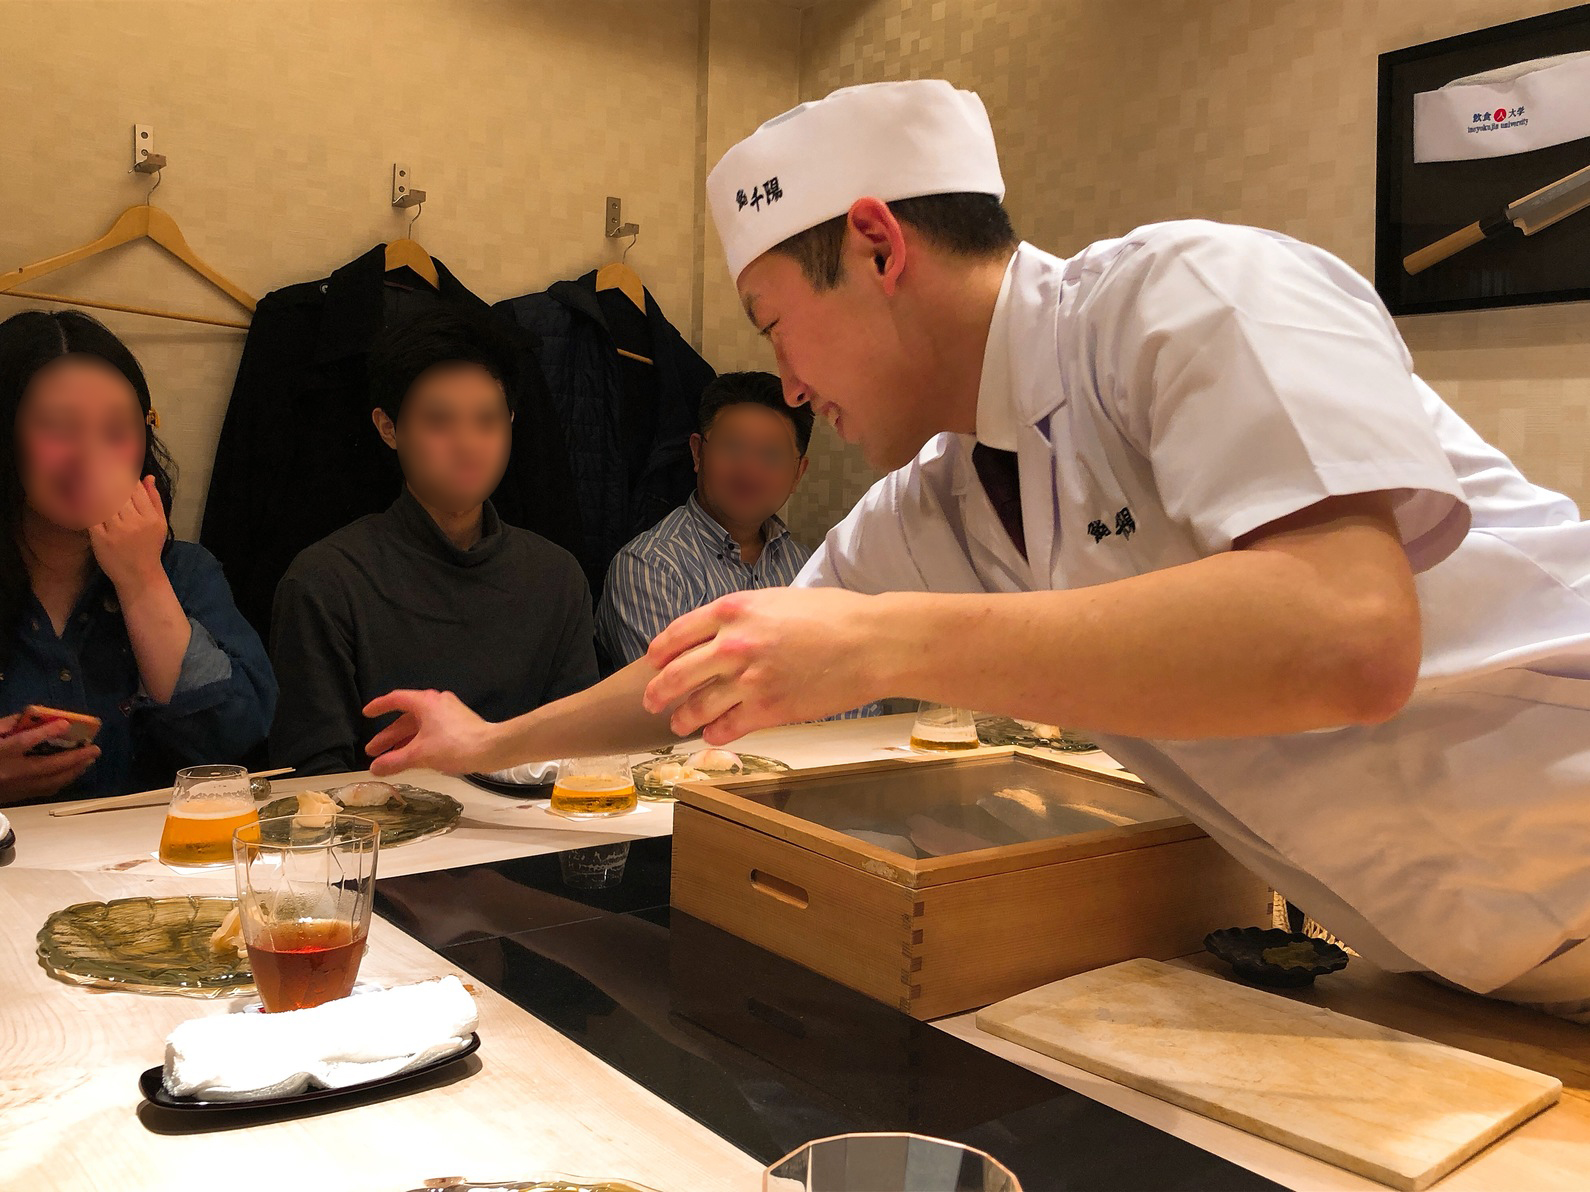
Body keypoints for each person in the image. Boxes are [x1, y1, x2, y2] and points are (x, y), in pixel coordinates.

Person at [359, 81, 1590, 1019]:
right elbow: (721, 655)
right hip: (1472, 967)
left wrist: (884, 638)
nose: (786, 382)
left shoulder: (1193, 294)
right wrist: (492, 744)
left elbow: (1348, 637)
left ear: (883, 248)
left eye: (780, 325)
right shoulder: (940, 502)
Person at [269, 307, 596, 776]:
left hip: (532, 838)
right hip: (382, 841)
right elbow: (310, 780)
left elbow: (575, 751)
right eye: (440, 422)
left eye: (487, 421)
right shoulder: (325, 580)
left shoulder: (557, 577)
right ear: (388, 428)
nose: (468, 444)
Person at [0, 309, 275, 803]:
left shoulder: (186, 572)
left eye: (116, 431)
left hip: (154, 871)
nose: (90, 455)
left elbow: (231, 748)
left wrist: (142, 579)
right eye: (60, 428)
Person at [595, 371, 813, 669]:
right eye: (732, 447)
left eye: (771, 456)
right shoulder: (650, 569)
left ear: (797, 473)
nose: (749, 471)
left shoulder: (809, 569)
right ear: (697, 453)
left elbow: (855, 695)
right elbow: (679, 706)